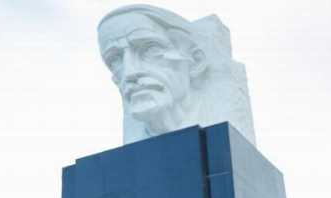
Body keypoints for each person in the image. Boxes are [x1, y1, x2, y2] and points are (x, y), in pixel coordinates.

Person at [96, 4, 257, 146]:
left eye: (151, 49)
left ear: (196, 62)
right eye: (115, 60)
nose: (129, 72)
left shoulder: (221, 133)